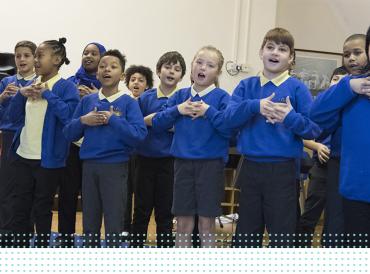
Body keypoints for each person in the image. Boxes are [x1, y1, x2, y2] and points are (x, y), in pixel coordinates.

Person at [214, 27, 321, 247]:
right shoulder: (246, 86)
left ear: (291, 58)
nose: (275, 53)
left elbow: (314, 129)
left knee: (282, 235)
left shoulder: (298, 88)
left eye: (282, 49)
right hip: (251, 168)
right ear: (261, 52)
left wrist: (289, 118)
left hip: (283, 171)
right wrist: (255, 106)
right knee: (246, 235)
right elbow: (227, 121)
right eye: (270, 47)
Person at [63, 49, 147, 247]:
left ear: (122, 75)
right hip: (89, 167)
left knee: (114, 224)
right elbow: (68, 133)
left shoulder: (128, 103)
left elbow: (139, 136)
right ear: (97, 73)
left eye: (113, 66)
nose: (106, 70)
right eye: (102, 66)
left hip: (115, 168)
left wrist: (113, 120)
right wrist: (83, 121)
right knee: (89, 223)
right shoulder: (87, 101)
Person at [151, 46, 231, 247]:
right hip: (182, 165)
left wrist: (208, 111)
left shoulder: (222, 98)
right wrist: (178, 110)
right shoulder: (179, 96)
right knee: (183, 223)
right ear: (192, 65)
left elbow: (230, 129)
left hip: (211, 167)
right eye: (199, 62)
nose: (203, 68)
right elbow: (158, 123)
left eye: (210, 65)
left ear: (218, 72)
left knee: (206, 223)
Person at [8, 38, 79, 247]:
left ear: (56, 60)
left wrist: (47, 94)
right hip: (22, 156)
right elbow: (13, 118)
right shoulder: (30, 84)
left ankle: (41, 252)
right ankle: (18, 251)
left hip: (48, 160)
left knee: (42, 209)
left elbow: (69, 118)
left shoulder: (66, 87)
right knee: (19, 208)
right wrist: (20, 95)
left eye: (40, 55)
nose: (36, 60)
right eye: (36, 56)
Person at [310, 27, 370, 247]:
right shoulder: (348, 87)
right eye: (347, 54)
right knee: (337, 226)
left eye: (357, 52)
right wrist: (347, 87)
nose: (352, 58)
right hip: (344, 169)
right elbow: (317, 119)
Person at [131, 52, 185, 247]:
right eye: (168, 67)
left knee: (165, 213)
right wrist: (159, 122)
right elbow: (136, 123)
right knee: (141, 210)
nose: (171, 72)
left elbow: (182, 127)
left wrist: (154, 121)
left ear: (182, 75)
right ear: (158, 70)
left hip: (170, 162)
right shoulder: (145, 98)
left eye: (177, 69)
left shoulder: (184, 98)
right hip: (144, 160)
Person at [56, 42, 106, 247]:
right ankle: (65, 239)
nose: (89, 56)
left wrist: (95, 96)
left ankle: (91, 241)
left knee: (92, 199)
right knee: (67, 195)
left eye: (94, 53)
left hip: (96, 150)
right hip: (72, 148)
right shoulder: (70, 83)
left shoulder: (109, 87)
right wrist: (76, 98)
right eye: (86, 52)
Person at [296, 66, 347, 247]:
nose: (338, 82)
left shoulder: (352, 105)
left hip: (343, 169)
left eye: (343, 79)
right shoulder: (321, 106)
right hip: (322, 168)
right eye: (335, 78)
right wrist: (317, 145)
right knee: (310, 215)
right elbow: (302, 135)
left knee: (335, 219)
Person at [0, 40, 37, 247]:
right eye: (18, 56)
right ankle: (4, 233)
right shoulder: (7, 83)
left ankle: (25, 232)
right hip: (8, 137)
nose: (21, 59)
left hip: (31, 138)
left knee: (28, 188)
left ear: (34, 58)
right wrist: (2, 99)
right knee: (5, 187)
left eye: (26, 55)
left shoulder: (40, 82)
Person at [123, 65, 153, 238]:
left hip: (142, 153)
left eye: (141, 80)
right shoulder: (124, 101)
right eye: (133, 79)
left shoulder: (148, 102)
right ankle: (125, 226)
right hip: (126, 152)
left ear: (147, 85)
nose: (136, 83)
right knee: (125, 191)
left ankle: (137, 228)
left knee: (140, 193)